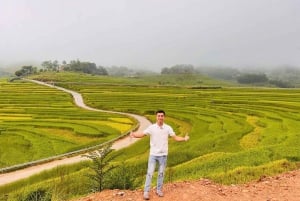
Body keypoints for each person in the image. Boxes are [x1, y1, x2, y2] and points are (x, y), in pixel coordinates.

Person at [130, 110, 190, 200]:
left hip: (163, 155)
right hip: (153, 154)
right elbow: (142, 134)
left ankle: (159, 190)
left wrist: (184, 139)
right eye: (159, 116)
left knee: (161, 174)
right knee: (150, 173)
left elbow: (175, 137)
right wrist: (134, 135)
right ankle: (146, 192)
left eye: (162, 116)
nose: (160, 117)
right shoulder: (152, 127)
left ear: (164, 117)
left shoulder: (168, 128)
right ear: (156, 117)